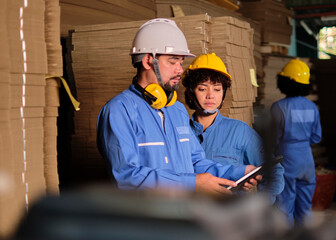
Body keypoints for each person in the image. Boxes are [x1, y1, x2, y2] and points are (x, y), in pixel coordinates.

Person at [96, 18, 260, 196]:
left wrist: (240, 173)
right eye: (173, 62)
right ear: (148, 61)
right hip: (148, 220)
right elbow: (127, 178)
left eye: (181, 62)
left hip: (184, 215)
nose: (180, 70)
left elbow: (196, 162)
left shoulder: (177, 110)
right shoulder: (119, 111)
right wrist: (193, 184)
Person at [182, 53, 284, 203]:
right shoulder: (179, 131)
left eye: (217, 89)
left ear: (223, 93)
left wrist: (261, 205)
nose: (211, 96)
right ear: (190, 93)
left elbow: (274, 171)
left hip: (228, 218)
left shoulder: (240, 132)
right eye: (202, 89)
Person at [270, 59, 322, 225]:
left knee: (285, 207)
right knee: (305, 208)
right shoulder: (312, 107)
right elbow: (316, 137)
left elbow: (273, 138)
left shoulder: (279, 107)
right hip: (307, 161)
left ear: (285, 81)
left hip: (287, 159)